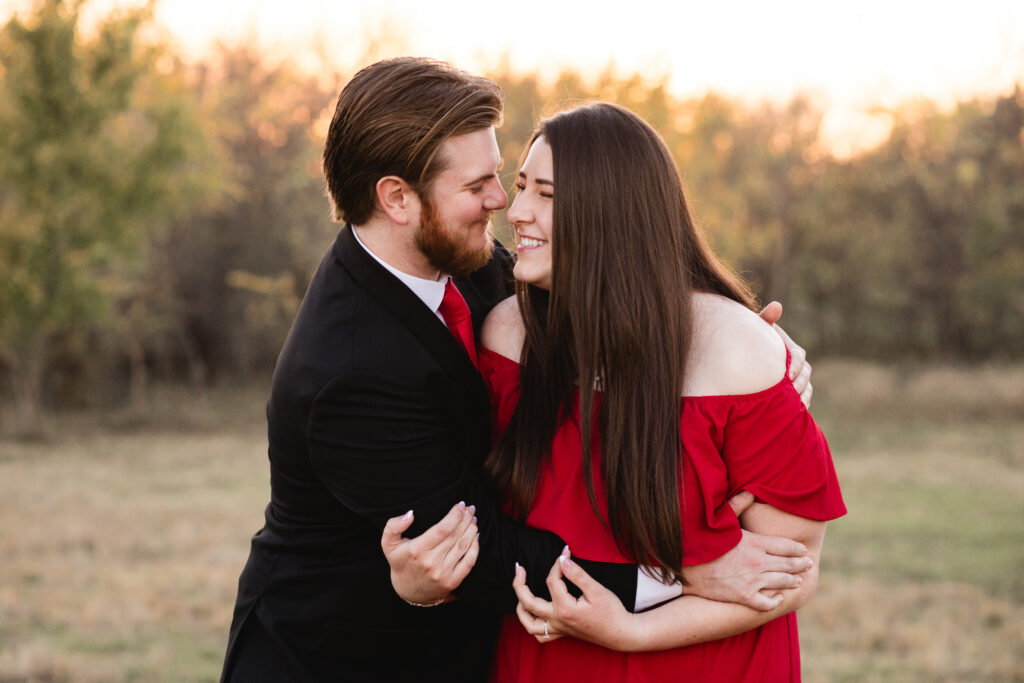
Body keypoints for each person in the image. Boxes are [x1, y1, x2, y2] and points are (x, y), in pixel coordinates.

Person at [221, 57, 815, 682]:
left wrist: (749, 344)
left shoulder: (462, 258)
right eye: (479, 186)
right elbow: (477, 550)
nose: (503, 203)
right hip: (343, 656)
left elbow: (598, 286)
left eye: (507, 178)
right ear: (397, 198)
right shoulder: (348, 370)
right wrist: (681, 569)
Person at [473, 103, 847, 681]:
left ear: (614, 213)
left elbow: (792, 573)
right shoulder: (504, 337)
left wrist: (634, 631)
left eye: (546, 195)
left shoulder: (735, 352)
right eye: (522, 187)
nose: (516, 211)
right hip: (545, 663)